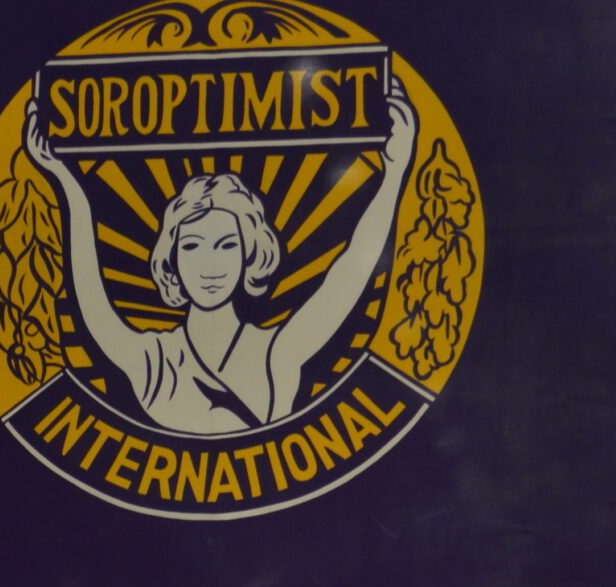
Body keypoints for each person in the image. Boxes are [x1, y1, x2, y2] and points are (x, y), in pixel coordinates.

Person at [25, 77, 417, 433]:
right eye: (192, 247)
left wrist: (395, 174)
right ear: (172, 261)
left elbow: (348, 276)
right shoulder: (152, 360)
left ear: (250, 256)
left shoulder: (276, 353)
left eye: (227, 245)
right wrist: (66, 183)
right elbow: (90, 297)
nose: (209, 265)